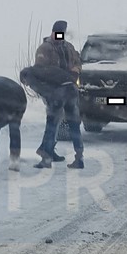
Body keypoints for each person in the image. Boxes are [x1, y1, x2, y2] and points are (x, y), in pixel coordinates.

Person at [31, 20, 84, 169]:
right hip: (58, 91)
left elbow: (79, 62)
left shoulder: (67, 47)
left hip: (67, 91)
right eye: (58, 32)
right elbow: (40, 69)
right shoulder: (46, 48)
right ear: (53, 32)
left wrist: (76, 69)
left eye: (62, 33)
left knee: (59, 124)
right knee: (59, 124)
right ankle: (53, 155)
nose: (59, 35)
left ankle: (52, 157)